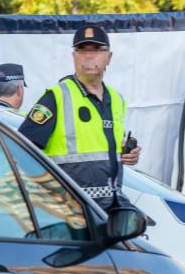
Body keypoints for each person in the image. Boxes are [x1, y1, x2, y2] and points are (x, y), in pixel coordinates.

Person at [18, 24, 140, 208]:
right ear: (73, 56)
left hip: (109, 206)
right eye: (82, 50)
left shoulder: (116, 99)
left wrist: (127, 154)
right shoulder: (57, 96)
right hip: (70, 210)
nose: (89, 56)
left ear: (110, 57)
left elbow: (101, 146)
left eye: (97, 50)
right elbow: (21, 151)